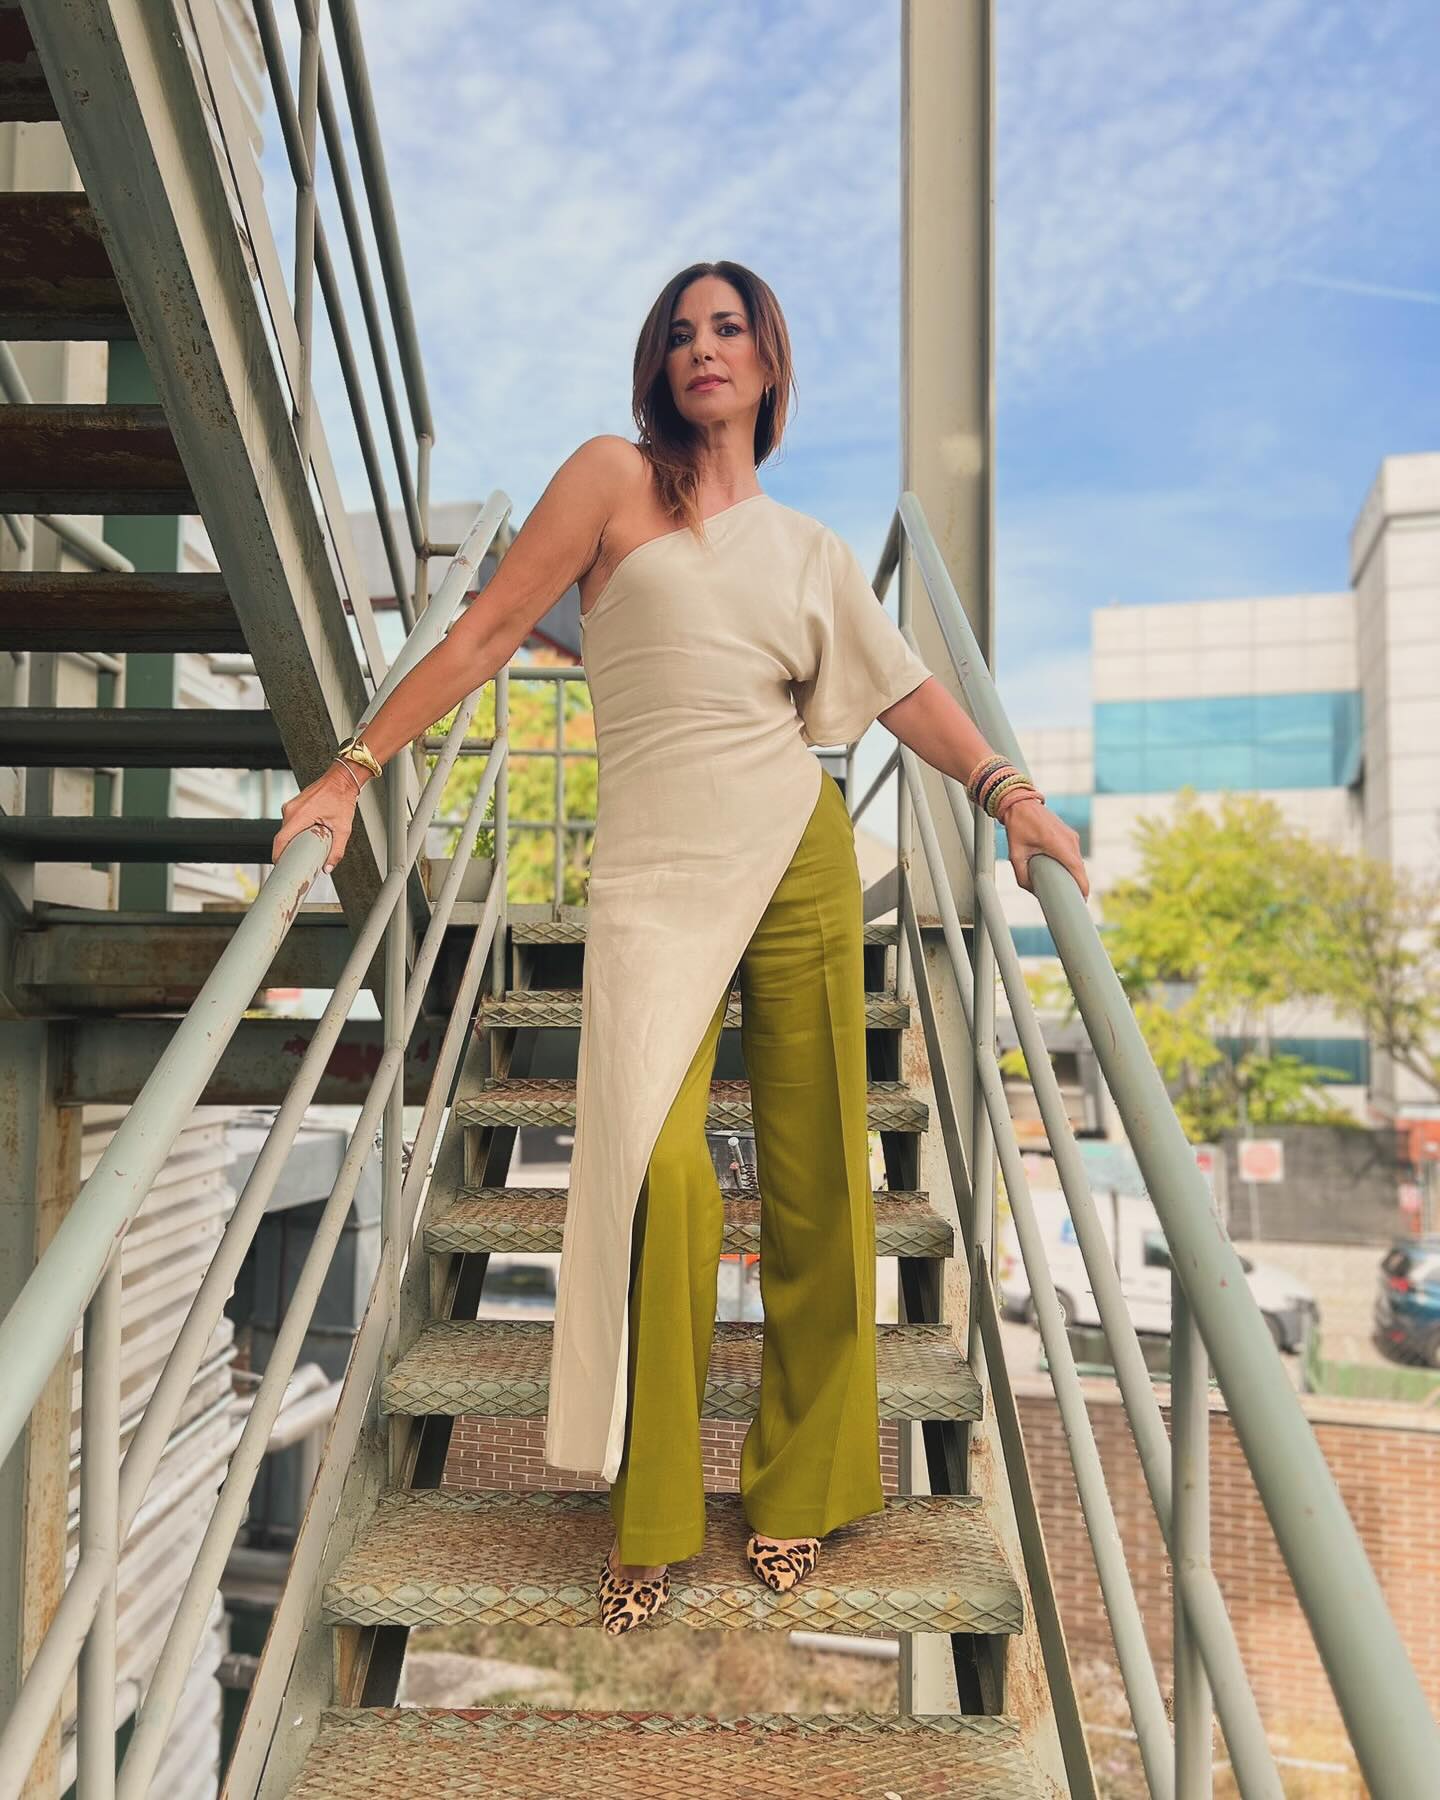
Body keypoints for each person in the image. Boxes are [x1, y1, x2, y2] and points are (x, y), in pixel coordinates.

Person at [271, 259, 1089, 1637]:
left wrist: (1009, 795)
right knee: (659, 1173)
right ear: (659, 364)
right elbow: (485, 632)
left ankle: (800, 1489)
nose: (705, 347)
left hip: (797, 852)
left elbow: (904, 692)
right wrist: (352, 769)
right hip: (654, 875)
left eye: (731, 329)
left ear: (768, 363)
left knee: (820, 1180)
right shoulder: (609, 480)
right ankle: (650, 1508)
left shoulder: (811, 551)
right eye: (682, 332)